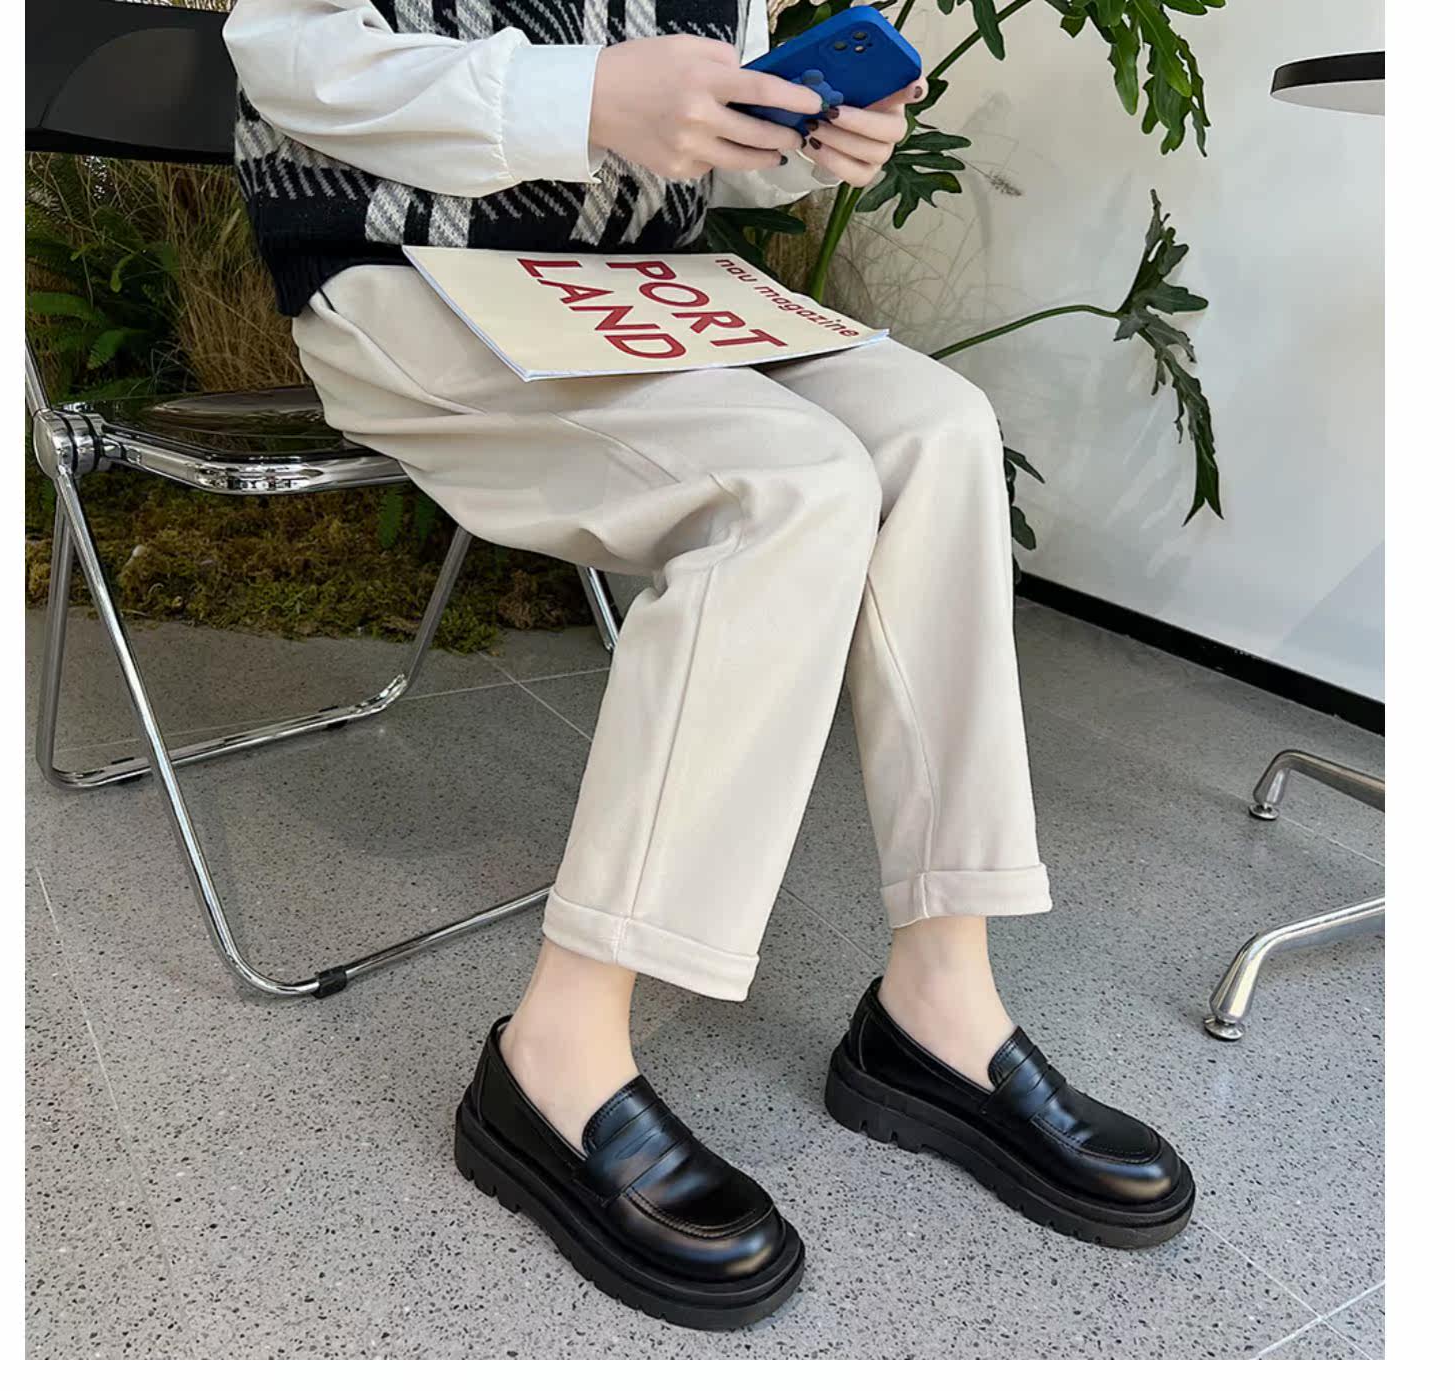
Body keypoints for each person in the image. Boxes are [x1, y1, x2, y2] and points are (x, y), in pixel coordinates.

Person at [224, 0, 1194, 1330]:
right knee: (788, 483)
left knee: (942, 432)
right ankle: (555, 1052)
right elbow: (285, 55)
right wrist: (580, 97)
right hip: (407, 276)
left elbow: (700, 139)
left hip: (643, 293)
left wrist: (796, 139)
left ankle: (939, 1001)